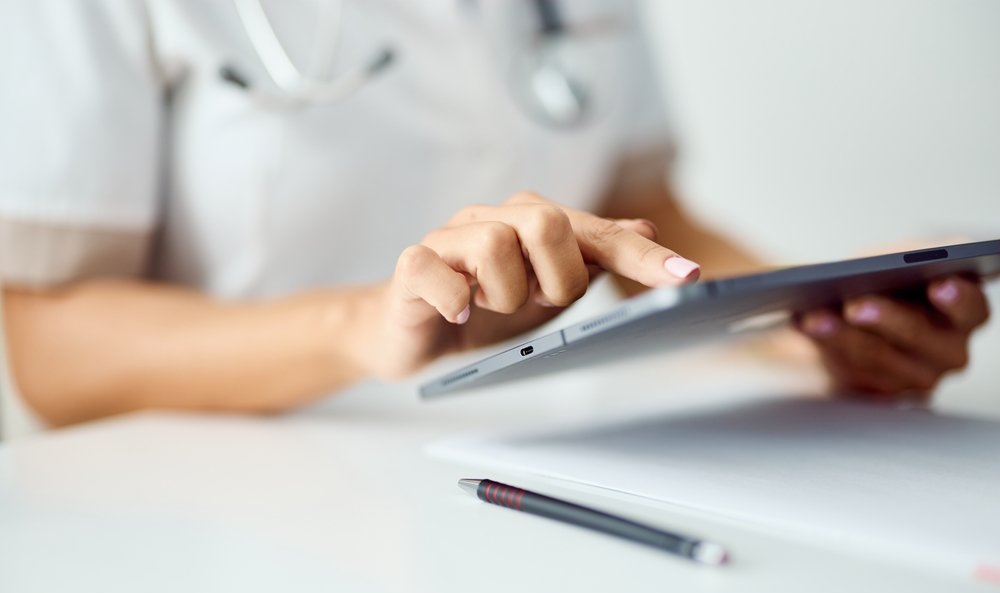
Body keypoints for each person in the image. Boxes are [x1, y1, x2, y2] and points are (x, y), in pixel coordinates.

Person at [0, 0, 989, 427]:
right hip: (222, 510)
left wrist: (811, 321)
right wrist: (363, 329)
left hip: (543, 458)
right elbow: (40, 341)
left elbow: (637, 211)